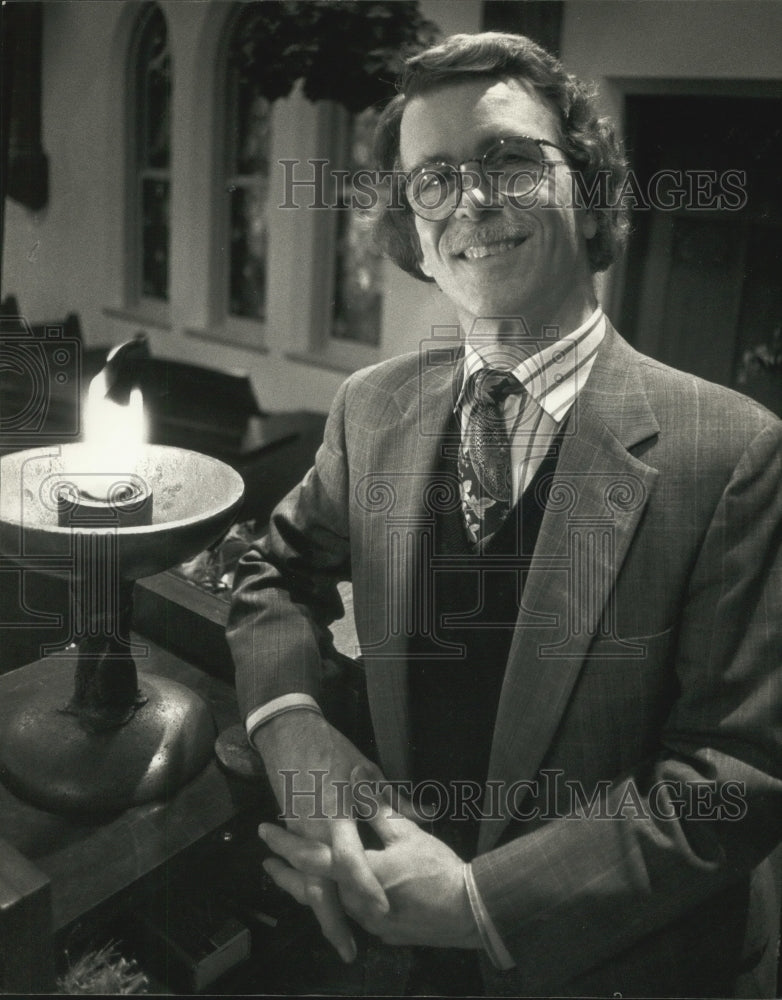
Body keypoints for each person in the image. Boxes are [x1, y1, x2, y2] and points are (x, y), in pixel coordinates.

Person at [227, 32, 782, 997]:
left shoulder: (733, 450)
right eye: (432, 178)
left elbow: (737, 778)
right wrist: (290, 721)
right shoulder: (373, 406)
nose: (472, 203)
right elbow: (268, 568)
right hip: (392, 949)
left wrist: (479, 904)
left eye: (510, 162)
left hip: (616, 967)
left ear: (593, 186)